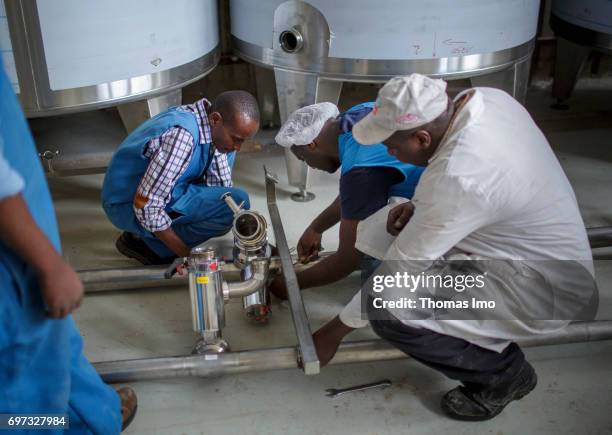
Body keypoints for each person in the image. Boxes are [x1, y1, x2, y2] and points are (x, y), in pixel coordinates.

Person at [308, 74, 597, 421]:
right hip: (526, 249)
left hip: (541, 289)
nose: (387, 152)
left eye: (392, 145)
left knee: (387, 308)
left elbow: (395, 277)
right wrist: (420, 204)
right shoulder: (486, 100)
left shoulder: (460, 178)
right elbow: (483, 188)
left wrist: (332, 332)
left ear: (421, 137)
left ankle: (504, 376)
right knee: (384, 226)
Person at [0, 64, 136, 432]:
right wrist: (49, 264)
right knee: (21, 387)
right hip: (13, 246)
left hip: (21, 234)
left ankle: (94, 415)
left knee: (52, 336)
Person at [269, 102, 424, 298]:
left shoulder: (361, 167)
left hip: (451, 211)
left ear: (311, 145)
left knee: (373, 279)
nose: (310, 166)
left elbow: (348, 259)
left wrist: (289, 285)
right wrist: (316, 228)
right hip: (449, 178)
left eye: (303, 159)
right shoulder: (357, 113)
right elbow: (357, 195)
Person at [102, 91, 260, 265]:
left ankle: (155, 237)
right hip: (129, 201)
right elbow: (146, 205)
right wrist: (190, 258)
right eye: (236, 139)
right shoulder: (182, 137)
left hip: (162, 190)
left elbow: (221, 190)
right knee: (235, 201)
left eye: (242, 141)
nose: (238, 147)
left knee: (232, 204)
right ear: (215, 119)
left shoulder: (215, 132)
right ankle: (145, 244)